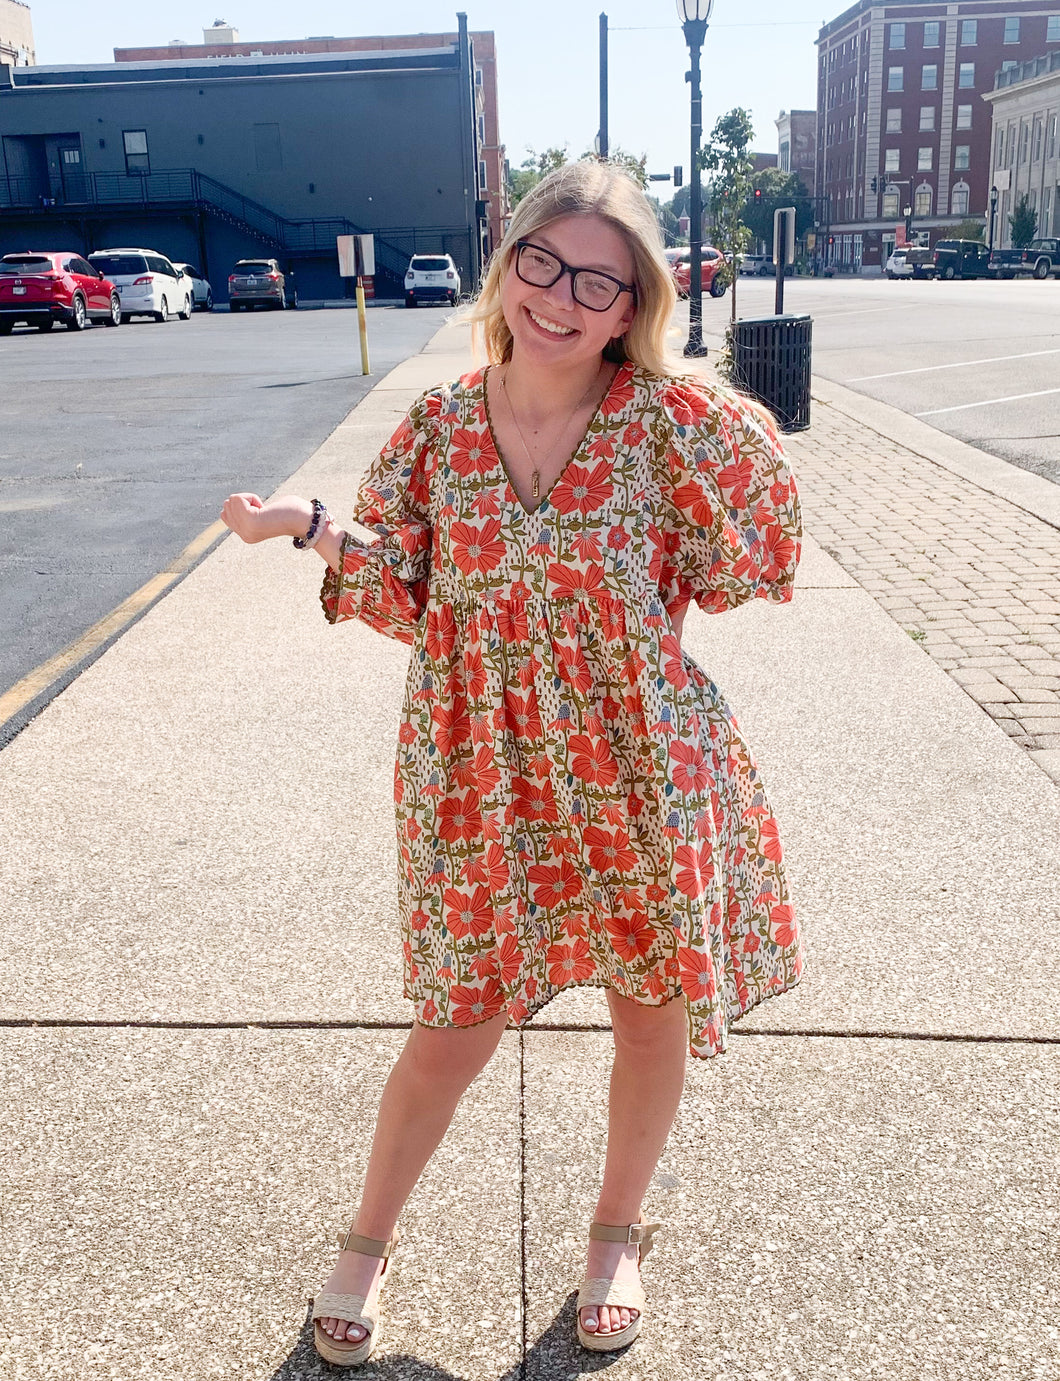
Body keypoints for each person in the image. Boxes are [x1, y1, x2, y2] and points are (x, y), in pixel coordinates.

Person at [220, 159, 802, 1367]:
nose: (561, 296)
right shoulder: (437, 426)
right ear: (508, 261)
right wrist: (315, 529)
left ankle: (614, 1236)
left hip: (640, 764)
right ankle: (365, 1247)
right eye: (543, 260)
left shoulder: (666, 424)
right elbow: (405, 588)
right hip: (477, 770)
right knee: (452, 1026)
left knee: (649, 1015)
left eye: (600, 278)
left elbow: (760, 547)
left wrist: (677, 545)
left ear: (631, 300)